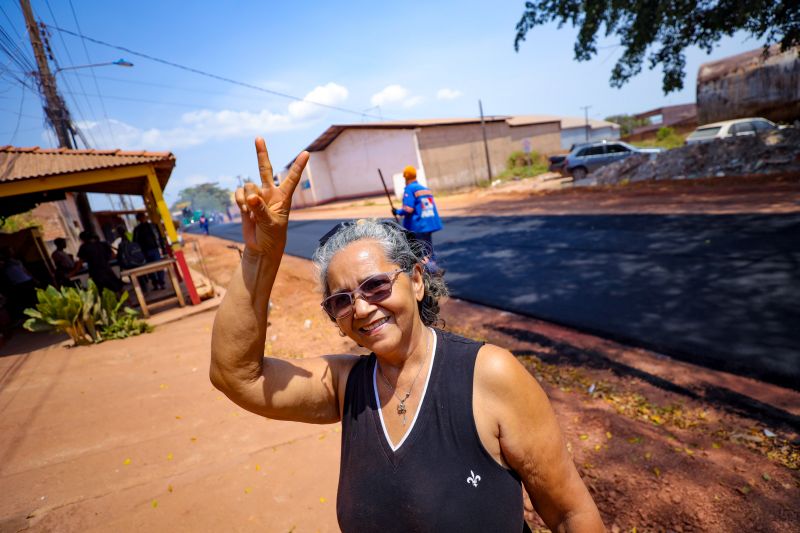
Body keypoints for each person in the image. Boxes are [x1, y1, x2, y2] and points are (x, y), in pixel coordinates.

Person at [210, 137, 604, 532]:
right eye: (342, 300)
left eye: (377, 285)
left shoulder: (489, 376)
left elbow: (570, 514)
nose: (361, 308)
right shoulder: (349, 387)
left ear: (416, 281)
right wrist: (262, 256)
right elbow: (237, 375)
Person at [392, 165, 444, 273]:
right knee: (428, 248)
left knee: (420, 250)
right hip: (429, 223)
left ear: (406, 177)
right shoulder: (424, 189)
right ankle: (433, 266)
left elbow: (408, 209)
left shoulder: (410, 189)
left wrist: (397, 211)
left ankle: (433, 271)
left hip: (418, 225)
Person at [133, 213, 165, 291]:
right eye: (140, 217)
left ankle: (161, 283)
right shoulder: (137, 230)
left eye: (143, 217)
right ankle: (155, 284)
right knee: (150, 270)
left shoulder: (153, 226)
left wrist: (163, 248)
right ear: (138, 219)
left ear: (145, 217)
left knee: (159, 267)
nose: (142, 219)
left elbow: (160, 237)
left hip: (155, 249)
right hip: (144, 252)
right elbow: (135, 242)